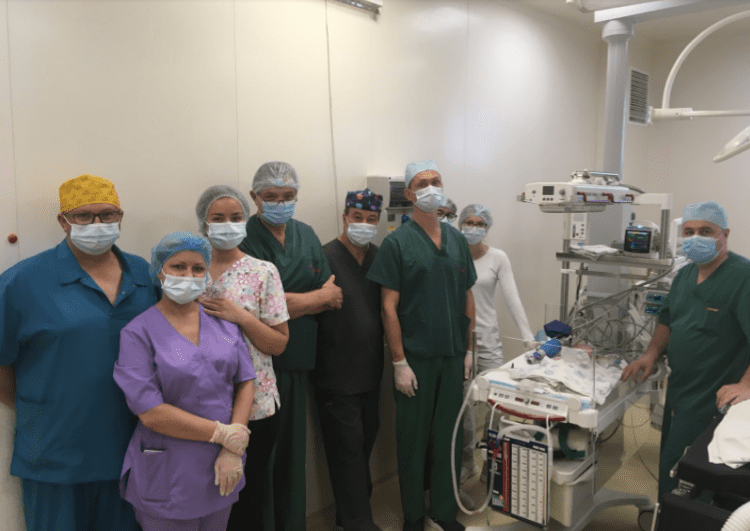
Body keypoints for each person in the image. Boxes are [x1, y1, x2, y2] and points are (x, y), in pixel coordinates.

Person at [0, 174, 158, 531]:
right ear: (63, 220)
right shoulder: (23, 281)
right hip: (55, 456)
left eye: (107, 214)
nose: (97, 224)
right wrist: (42, 408)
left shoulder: (146, 276)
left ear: (120, 217)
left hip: (132, 451)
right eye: (84, 216)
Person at [114, 232, 257, 530]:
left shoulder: (223, 322)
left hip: (222, 463)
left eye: (198, 268)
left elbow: (245, 380)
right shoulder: (138, 332)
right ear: (159, 271)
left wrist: (233, 446)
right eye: (178, 267)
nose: (188, 275)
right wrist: (222, 434)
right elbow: (151, 412)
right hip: (169, 470)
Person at [367, 159, 476, 531]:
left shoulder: (457, 241)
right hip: (415, 358)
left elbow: (467, 296)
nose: (431, 188)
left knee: (449, 435)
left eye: (436, 181)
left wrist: (468, 350)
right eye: (422, 183)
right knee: (412, 438)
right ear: (410, 194)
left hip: (452, 355)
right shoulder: (397, 243)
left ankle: (444, 511)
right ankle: (412, 514)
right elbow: (388, 306)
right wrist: (399, 362)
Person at [238, 161, 343, 531]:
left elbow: (334, 296)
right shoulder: (242, 237)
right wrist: (315, 299)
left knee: (292, 458)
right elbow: (248, 306)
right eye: (271, 196)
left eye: (288, 195)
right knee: (260, 459)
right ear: (254, 197)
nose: (280, 202)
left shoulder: (306, 234)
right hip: (254, 365)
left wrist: (286, 301)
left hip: (297, 363)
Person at [622, 201, 750, 500]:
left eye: (706, 231)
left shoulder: (743, 277)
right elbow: (667, 320)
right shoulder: (684, 275)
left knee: (690, 474)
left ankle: (679, 516)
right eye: (689, 232)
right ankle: (667, 513)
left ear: (725, 235)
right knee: (671, 459)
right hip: (681, 390)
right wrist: (651, 354)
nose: (695, 238)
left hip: (714, 397)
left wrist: (746, 384)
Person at [193, 185, 291, 531]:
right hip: (198, 406)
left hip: (255, 407)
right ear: (203, 222)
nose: (227, 224)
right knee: (203, 498)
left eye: (235, 217)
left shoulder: (263, 272)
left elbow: (278, 344)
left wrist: (242, 317)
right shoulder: (188, 270)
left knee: (246, 503)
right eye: (217, 218)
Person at [311, 188, 385, 531]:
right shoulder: (325, 256)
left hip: (370, 370)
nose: (364, 224)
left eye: (371, 219)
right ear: (345, 217)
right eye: (357, 217)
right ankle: (358, 523)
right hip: (335, 373)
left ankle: (349, 514)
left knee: (366, 439)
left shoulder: (378, 258)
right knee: (348, 450)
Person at [457, 204, 536, 482]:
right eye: (469, 222)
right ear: (460, 224)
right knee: (462, 408)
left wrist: (527, 336)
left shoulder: (497, 258)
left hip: (488, 341)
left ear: (487, 227)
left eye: (480, 223)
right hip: (460, 342)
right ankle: (467, 461)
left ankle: (493, 463)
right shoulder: (453, 255)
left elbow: (512, 298)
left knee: (497, 404)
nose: (473, 228)